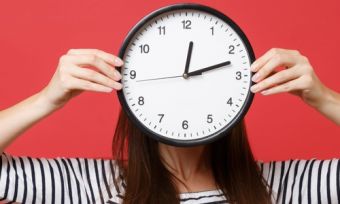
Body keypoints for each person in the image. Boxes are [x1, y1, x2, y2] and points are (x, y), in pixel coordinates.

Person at [0, 48, 339, 204]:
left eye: (198, 82)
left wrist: (323, 98)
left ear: (234, 100)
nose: (184, 94)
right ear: (135, 100)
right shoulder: (91, 186)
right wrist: (47, 99)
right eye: (168, 83)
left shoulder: (285, 187)